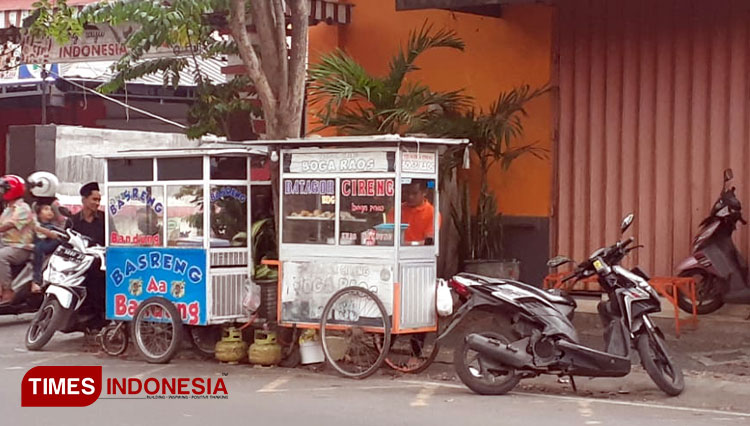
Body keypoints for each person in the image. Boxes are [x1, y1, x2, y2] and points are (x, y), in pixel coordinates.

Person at [0, 175, 35, 303]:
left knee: (1, 256)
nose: (1, 191)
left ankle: (7, 290)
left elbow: (8, 225)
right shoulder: (8, 208)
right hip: (6, 244)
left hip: (20, 247)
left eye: (4, 189)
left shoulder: (22, 208)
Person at [386, 180, 440, 245]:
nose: (410, 197)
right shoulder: (396, 211)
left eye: (414, 193)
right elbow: (388, 237)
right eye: (407, 193)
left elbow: (428, 242)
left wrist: (406, 244)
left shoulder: (432, 213)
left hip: (421, 253)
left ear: (424, 192)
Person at [30, 202, 61, 293]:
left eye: (50, 209)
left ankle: (37, 280)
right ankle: (36, 280)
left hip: (47, 246)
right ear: (39, 213)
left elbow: (54, 236)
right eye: (46, 209)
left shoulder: (52, 226)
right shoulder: (35, 223)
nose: (49, 212)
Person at [72, 182, 105, 246]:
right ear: (83, 200)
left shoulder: (105, 218)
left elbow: (112, 239)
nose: (97, 203)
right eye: (94, 199)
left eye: (99, 200)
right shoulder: (73, 221)